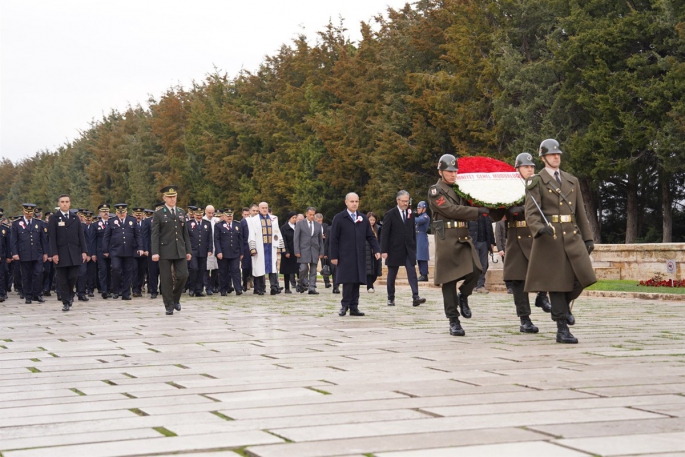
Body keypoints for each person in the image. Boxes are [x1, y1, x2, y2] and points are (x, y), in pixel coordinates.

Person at [524, 139, 597, 344]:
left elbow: (581, 213)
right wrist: (540, 229)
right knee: (557, 284)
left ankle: (562, 309)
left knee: (584, 276)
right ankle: (562, 328)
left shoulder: (571, 180)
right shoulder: (536, 181)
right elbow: (531, 213)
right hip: (551, 237)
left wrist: (588, 237)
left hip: (572, 235)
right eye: (551, 154)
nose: (556, 156)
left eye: (558, 154)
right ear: (543, 157)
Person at [428, 155, 489, 336]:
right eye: (449, 171)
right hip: (446, 238)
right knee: (449, 280)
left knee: (476, 269)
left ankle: (463, 295)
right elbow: (450, 209)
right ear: (441, 172)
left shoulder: (461, 189)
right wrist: (476, 212)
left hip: (463, 235)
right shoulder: (435, 191)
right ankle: (453, 320)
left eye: (455, 171)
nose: (453, 174)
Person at [329, 192, 381, 316]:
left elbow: (370, 236)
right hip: (345, 256)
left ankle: (354, 307)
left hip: (359, 255)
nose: (354, 204)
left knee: (357, 281)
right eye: (352, 201)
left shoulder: (362, 218)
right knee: (348, 281)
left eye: (356, 201)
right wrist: (334, 256)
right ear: (346, 202)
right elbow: (333, 239)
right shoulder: (339, 218)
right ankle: (344, 305)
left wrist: (377, 249)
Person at [151, 185, 192, 315]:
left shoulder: (181, 212)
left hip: (179, 249)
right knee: (166, 279)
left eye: (174, 197)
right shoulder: (158, 213)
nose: (172, 199)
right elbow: (155, 234)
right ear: (164, 198)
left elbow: (185, 233)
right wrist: (155, 252)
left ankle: (175, 299)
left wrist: (188, 251)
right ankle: (168, 305)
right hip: (164, 250)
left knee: (183, 275)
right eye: (169, 197)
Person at [381, 190, 426, 307]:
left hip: (408, 249)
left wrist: (413, 247)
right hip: (394, 249)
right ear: (398, 200)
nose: (406, 203)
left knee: (412, 272)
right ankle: (390, 297)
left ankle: (415, 296)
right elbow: (385, 233)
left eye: (407, 201)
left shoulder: (410, 214)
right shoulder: (390, 214)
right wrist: (384, 250)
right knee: (392, 274)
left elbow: (412, 231)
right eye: (404, 201)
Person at [48, 195, 88, 311]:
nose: (64, 204)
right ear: (58, 204)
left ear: (70, 203)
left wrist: (84, 251)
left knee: (73, 277)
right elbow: (52, 238)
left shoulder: (75, 218)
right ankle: (65, 301)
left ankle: (70, 293)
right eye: (62, 202)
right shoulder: (54, 218)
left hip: (74, 253)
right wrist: (54, 253)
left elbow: (81, 236)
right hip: (61, 253)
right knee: (62, 279)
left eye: (66, 202)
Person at [103, 204, 143, 300]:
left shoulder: (132, 220)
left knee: (128, 272)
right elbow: (106, 236)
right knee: (116, 269)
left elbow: (137, 235)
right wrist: (105, 250)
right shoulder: (111, 221)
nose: (122, 214)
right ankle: (116, 290)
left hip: (129, 250)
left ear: (126, 212)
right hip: (116, 250)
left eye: (123, 212)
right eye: (120, 213)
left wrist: (140, 247)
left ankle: (125, 293)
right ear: (116, 213)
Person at [11, 203, 48, 304]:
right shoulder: (16, 224)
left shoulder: (39, 223)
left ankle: (37, 294)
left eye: (31, 212)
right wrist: (14, 253)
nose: (29, 214)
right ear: (23, 211)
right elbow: (14, 240)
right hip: (24, 253)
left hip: (37, 253)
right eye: (27, 212)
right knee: (26, 275)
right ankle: (28, 295)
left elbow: (43, 239)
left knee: (39, 273)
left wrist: (45, 253)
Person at [247, 202, 284, 295]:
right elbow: (251, 234)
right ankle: (260, 288)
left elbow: (277, 232)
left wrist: (280, 246)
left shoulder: (274, 218)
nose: (264, 209)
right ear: (259, 209)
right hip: (260, 247)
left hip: (271, 247)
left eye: (266, 207)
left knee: (273, 268)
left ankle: (274, 287)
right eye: (262, 208)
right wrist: (252, 248)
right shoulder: (253, 220)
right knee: (259, 268)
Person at [294, 207, 324, 294]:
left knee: (313, 270)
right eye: (310, 214)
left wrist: (321, 251)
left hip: (314, 250)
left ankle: (312, 288)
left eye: (313, 215)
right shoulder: (300, 224)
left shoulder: (318, 225)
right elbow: (296, 238)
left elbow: (320, 240)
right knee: (303, 268)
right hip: (303, 250)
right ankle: (300, 282)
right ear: (306, 214)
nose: (312, 216)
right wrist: (297, 251)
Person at [213, 209, 244, 296]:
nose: (229, 217)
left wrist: (241, 252)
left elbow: (241, 239)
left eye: (231, 215)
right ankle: (223, 289)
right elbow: (216, 239)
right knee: (223, 272)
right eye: (228, 216)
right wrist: (218, 251)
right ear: (224, 216)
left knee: (236, 270)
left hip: (235, 252)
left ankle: (238, 289)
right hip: (223, 253)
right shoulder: (219, 226)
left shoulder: (237, 225)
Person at [187, 206, 213, 297]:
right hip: (192, 251)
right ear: (194, 214)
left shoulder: (207, 224)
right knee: (194, 269)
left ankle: (198, 290)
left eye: (200, 215)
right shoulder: (188, 224)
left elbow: (210, 238)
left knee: (202, 270)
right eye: (197, 215)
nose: (199, 216)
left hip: (203, 250)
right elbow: (186, 238)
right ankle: (192, 288)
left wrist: (210, 249)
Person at [468, 213, 496, 294]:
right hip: (473, 242)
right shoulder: (470, 214)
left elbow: (489, 229)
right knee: (475, 265)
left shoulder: (486, 215)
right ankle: (475, 284)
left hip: (484, 242)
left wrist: (492, 242)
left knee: (484, 265)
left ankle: (481, 285)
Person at [95, 204, 112, 298]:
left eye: (107, 211)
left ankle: (109, 289)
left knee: (111, 271)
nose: (106, 213)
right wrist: (93, 253)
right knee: (103, 271)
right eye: (103, 211)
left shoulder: (113, 223)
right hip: (100, 251)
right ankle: (104, 290)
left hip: (111, 251)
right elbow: (93, 240)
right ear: (100, 213)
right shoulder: (96, 225)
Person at [279, 212, 299, 294]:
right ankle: (287, 287)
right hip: (288, 251)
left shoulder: (297, 227)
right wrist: (286, 251)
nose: (294, 219)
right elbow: (283, 240)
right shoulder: (284, 228)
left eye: (295, 218)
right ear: (289, 218)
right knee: (287, 271)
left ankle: (300, 286)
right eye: (293, 218)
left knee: (298, 269)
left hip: (296, 251)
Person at [131, 207, 147, 297]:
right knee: (134, 270)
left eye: (140, 214)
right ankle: (135, 289)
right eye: (136, 214)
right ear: (133, 215)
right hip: (133, 251)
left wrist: (146, 249)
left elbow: (147, 238)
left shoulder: (145, 224)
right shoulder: (131, 224)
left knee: (142, 271)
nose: (138, 216)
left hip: (144, 252)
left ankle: (140, 288)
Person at [494, 214, 513, 294]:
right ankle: (509, 286)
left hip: (513, 248)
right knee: (507, 268)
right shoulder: (499, 222)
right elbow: (498, 236)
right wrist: (500, 249)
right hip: (504, 249)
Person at [204, 205, 220, 295]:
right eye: (209, 213)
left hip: (216, 247)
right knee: (206, 269)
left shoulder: (216, 221)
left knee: (215, 268)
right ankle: (207, 287)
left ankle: (213, 285)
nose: (210, 214)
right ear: (205, 212)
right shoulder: (203, 220)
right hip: (207, 248)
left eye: (212, 213)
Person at [240, 206, 256, 291]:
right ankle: (245, 281)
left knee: (255, 266)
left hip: (255, 246)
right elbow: (241, 237)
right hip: (246, 247)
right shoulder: (243, 222)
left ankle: (257, 285)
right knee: (246, 267)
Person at [365, 212, 382, 293]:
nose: (372, 222)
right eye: (370, 220)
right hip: (367, 251)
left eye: (373, 220)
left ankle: (371, 283)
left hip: (375, 251)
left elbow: (380, 240)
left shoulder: (378, 228)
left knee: (375, 270)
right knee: (368, 270)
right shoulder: (364, 228)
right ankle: (369, 286)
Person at [315, 213, 332, 288]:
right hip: (315, 247)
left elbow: (328, 235)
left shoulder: (325, 226)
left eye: (320, 221)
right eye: (318, 221)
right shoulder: (312, 226)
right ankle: (313, 282)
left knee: (324, 264)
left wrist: (324, 236)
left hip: (323, 247)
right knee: (313, 265)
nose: (319, 222)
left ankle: (326, 281)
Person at [415, 201, 430, 282]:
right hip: (418, 237)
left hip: (422, 237)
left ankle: (424, 274)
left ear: (424, 209)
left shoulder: (425, 217)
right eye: (417, 208)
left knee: (422, 257)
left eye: (419, 208)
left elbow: (418, 220)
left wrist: (409, 217)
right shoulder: (420, 217)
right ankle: (422, 274)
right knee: (419, 257)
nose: (418, 209)